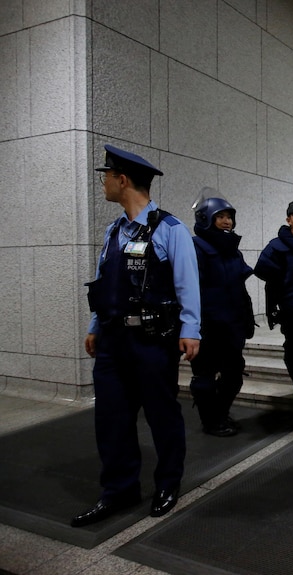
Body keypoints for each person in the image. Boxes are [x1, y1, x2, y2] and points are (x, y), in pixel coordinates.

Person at [73, 144, 200, 527]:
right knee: (111, 419)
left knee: (162, 416)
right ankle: (118, 490)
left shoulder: (170, 229)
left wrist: (191, 329)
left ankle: (167, 484)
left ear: (122, 180)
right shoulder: (114, 231)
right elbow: (104, 284)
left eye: (107, 176)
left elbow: (187, 284)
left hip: (152, 341)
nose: (104, 183)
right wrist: (96, 326)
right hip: (113, 342)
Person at [189, 191, 255, 437]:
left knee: (234, 374)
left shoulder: (232, 250)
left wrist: (247, 318)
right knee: (204, 378)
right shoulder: (196, 248)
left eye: (229, 216)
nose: (227, 221)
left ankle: (220, 413)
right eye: (221, 217)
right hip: (208, 326)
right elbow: (190, 290)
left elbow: (240, 288)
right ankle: (211, 421)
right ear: (206, 219)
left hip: (232, 325)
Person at [254, 200, 293, 400]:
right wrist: (275, 302)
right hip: (290, 307)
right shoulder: (277, 245)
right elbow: (263, 272)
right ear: (289, 220)